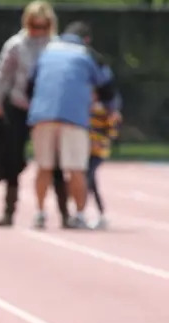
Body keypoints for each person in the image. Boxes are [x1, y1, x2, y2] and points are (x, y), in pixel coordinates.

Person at [27, 21, 118, 229]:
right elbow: (107, 87)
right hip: (73, 117)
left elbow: (30, 84)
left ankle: (40, 213)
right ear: (86, 39)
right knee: (76, 168)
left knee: (44, 167)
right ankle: (79, 215)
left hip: (42, 114)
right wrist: (111, 110)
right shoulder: (88, 54)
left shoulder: (46, 51)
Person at [0, 0, 58, 227]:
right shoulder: (16, 45)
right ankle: (9, 210)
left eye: (43, 26)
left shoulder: (56, 46)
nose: (38, 31)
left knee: (52, 161)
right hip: (19, 107)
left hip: (47, 110)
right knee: (12, 160)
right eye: (34, 26)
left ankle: (64, 212)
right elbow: (2, 75)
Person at [87, 90, 121, 230]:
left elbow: (112, 131)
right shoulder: (85, 108)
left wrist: (100, 141)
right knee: (91, 182)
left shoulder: (104, 110)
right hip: (85, 151)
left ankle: (82, 211)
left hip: (98, 151)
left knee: (88, 178)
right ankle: (100, 214)